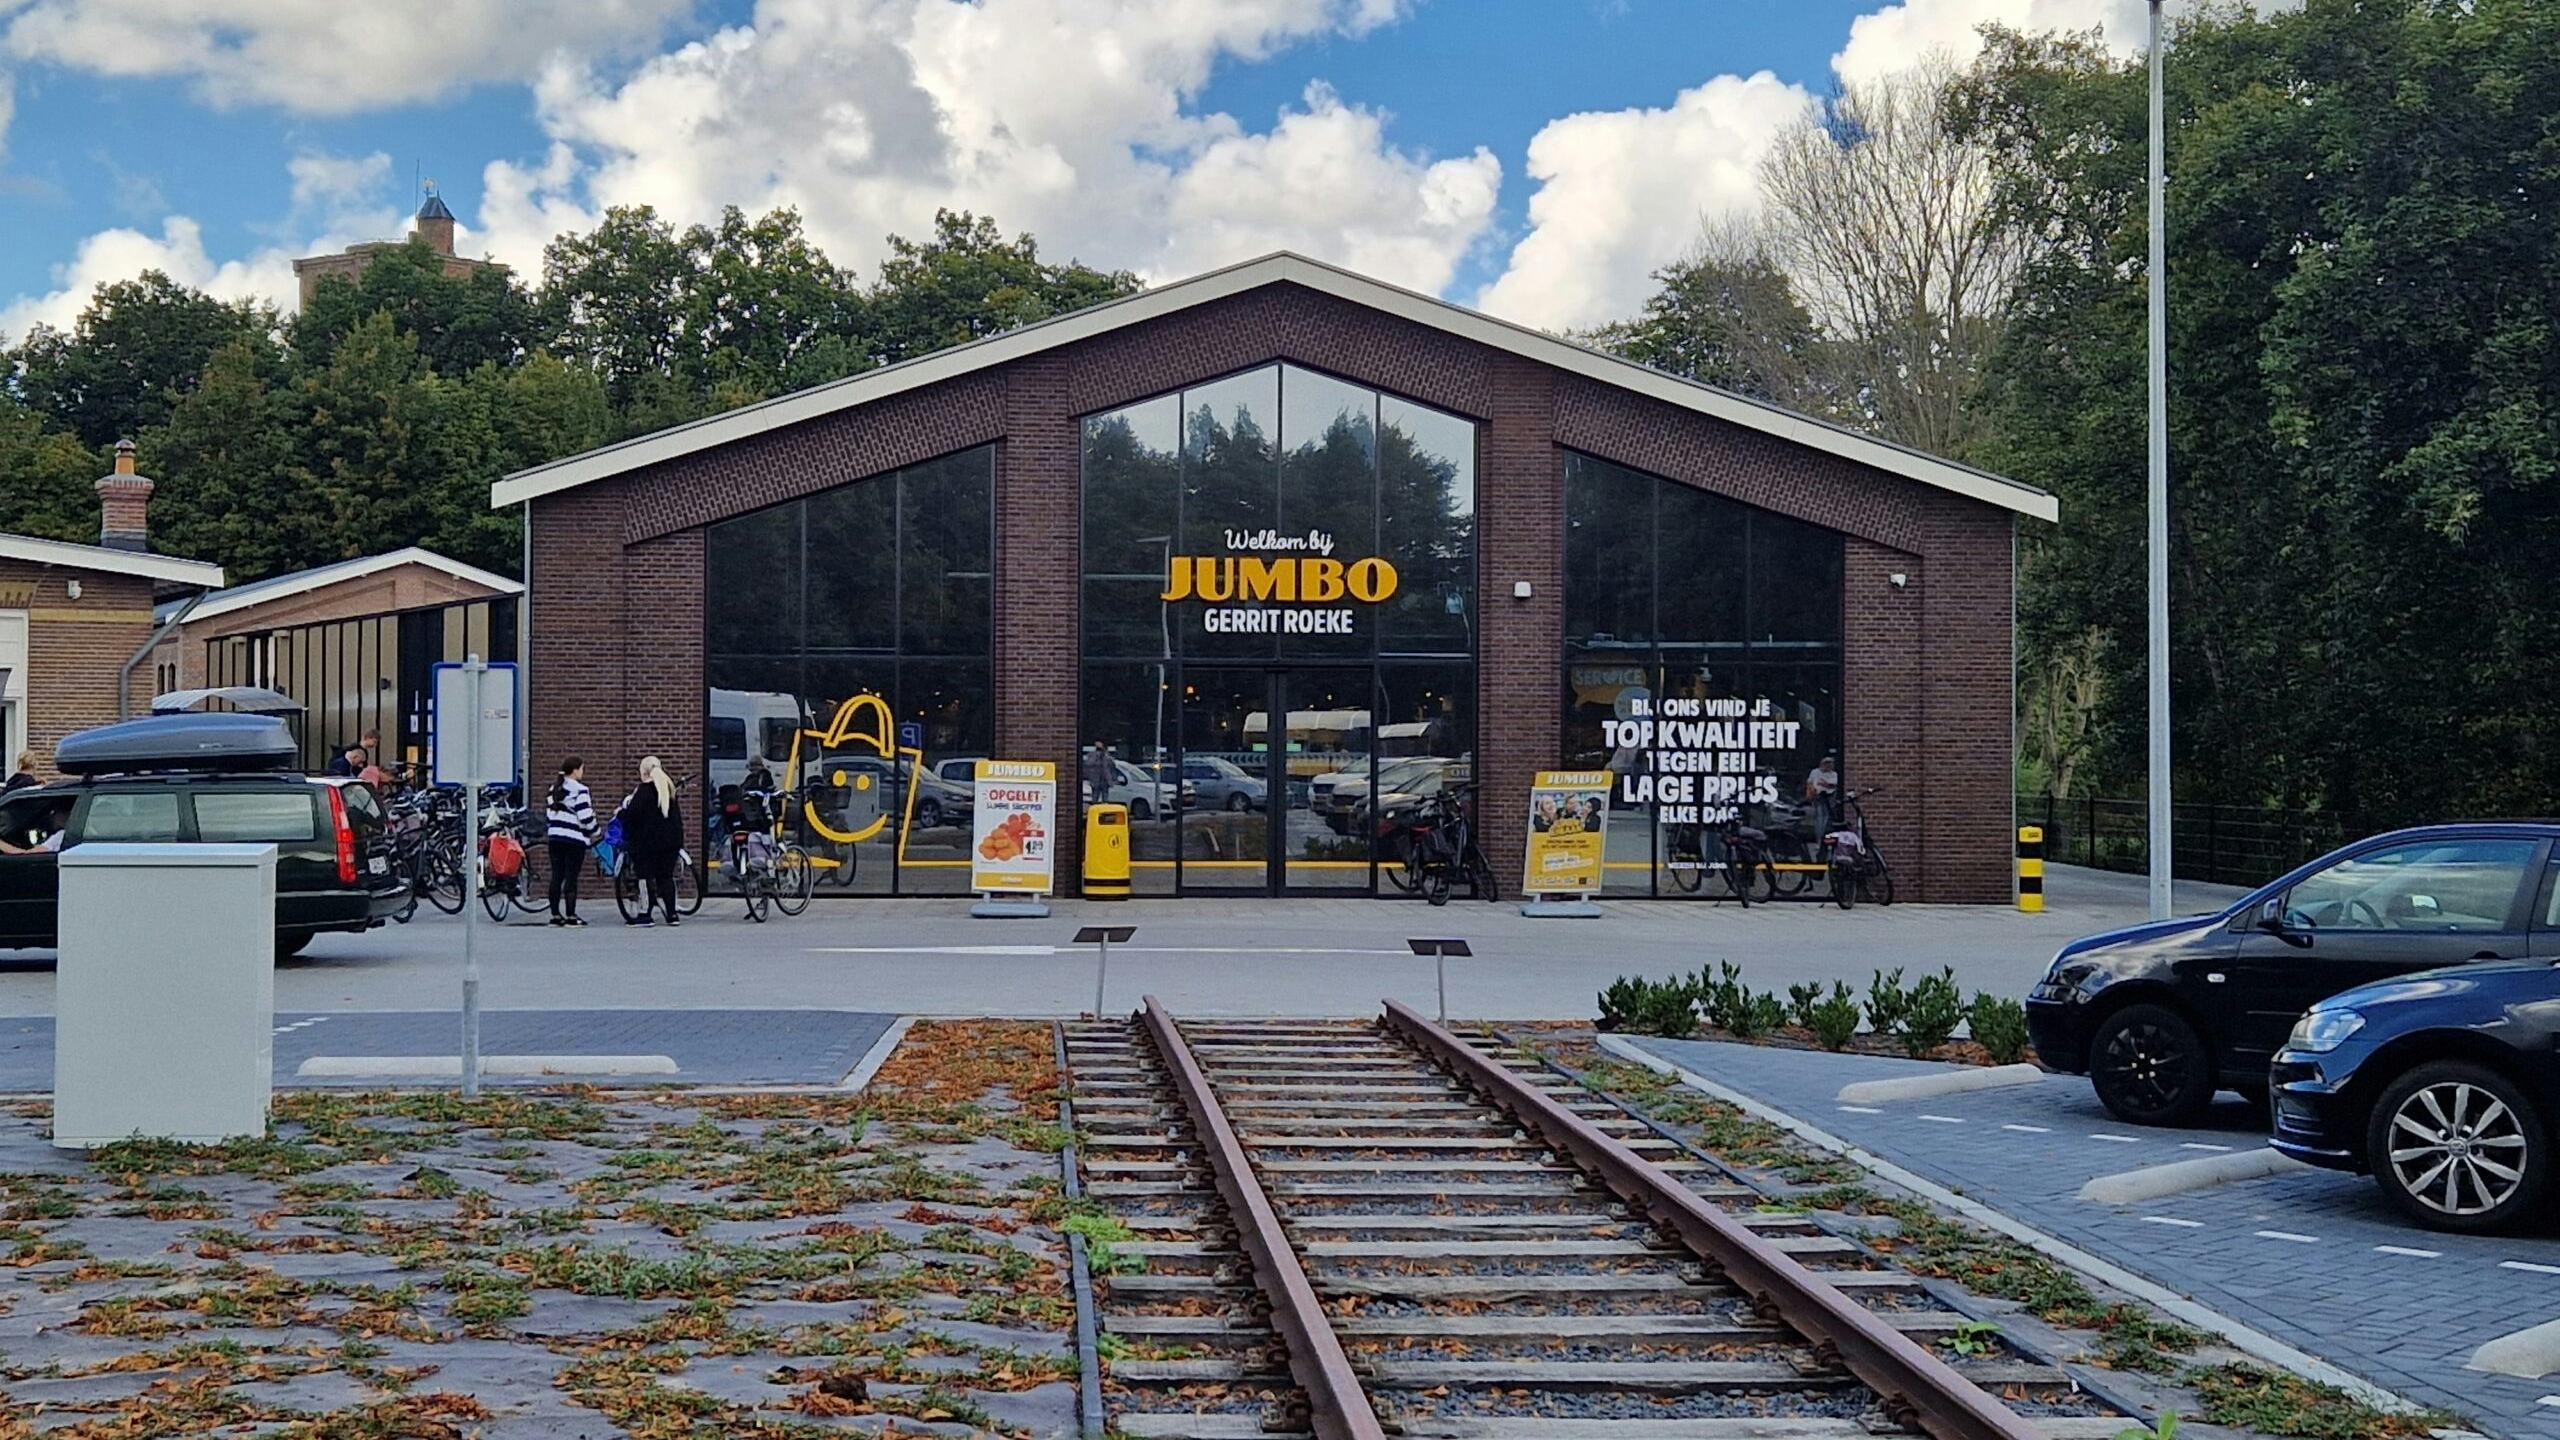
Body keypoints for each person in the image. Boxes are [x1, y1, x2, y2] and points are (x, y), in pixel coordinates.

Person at [619, 755, 683, 927]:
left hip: (646, 844)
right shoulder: (668, 790)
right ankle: (672, 915)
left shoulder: (644, 791)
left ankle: (645, 914)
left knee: (644, 877)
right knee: (666, 877)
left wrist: (620, 813)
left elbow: (631, 815)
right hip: (670, 843)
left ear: (644, 772)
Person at [545, 756, 596, 928]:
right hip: (574, 838)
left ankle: (554, 915)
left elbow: (549, 814)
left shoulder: (554, 789)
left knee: (556, 875)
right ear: (575, 770)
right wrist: (595, 831)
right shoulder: (581, 790)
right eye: (582, 769)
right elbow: (585, 816)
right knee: (571, 877)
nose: (583, 772)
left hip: (555, 837)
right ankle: (571, 915)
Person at [0, 799, 72, 855]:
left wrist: (2, 844)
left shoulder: (61, 836)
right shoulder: (72, 835)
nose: (51, 816)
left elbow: (28, 855)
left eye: (55, 812)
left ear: (66, 814)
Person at [1804, 753, 1841, 838]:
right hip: (1818, 796)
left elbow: (1832, 785)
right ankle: (1819, 837)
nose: (1828, 765)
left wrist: (1823, 784)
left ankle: (1826, 836)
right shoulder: (1815, 772)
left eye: (1830, 763)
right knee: (1819, 817)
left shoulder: (1834, 774)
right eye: (1826, 763)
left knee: (1828, 818)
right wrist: (1810, 792)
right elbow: (1810, 783)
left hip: (1829, 797)